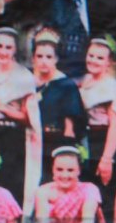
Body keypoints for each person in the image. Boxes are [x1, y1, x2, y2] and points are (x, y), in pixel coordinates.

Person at [0, 27, 39, 205]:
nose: (3, 51)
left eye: (8, 47)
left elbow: (27, 118)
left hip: (11, 134)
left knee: (10, 181)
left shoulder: (25, 76)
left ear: (15, 49)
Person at [77, 37, 116, 201]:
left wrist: (106, 159)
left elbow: (115, 126)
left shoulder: (111, 86)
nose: (93, 60)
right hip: (85, 140)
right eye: (91, 56)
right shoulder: (84, 80)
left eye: (99, 58)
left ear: (108, 63)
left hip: (103, 142)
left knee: (103, 193)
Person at [31, 29, 86, 181]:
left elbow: (70, 126)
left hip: (55, 141)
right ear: (33, 58)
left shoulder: (65, 84)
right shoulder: (27, 82)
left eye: (49, 57)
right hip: (31, 141)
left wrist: (66, 147)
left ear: (56, 59)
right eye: (39, 56)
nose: (44, 61)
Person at [30, 148, 104, 223]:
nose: (65, 175)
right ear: (53, 170)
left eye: (70, 170)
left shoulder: (90, 189)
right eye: (59, 170)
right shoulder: (43, 191)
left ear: (79, 171)